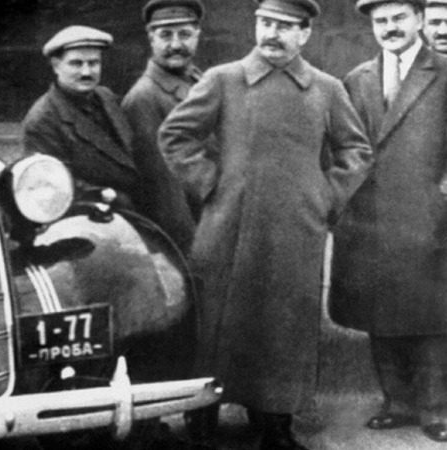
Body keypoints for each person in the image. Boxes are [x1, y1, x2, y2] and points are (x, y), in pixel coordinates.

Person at [158, 0, 374, 448]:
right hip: (228, 228)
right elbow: (176, 136)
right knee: (218, 323)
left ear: (304, 34)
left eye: (284, 26)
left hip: (296, 232)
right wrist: (211, 184)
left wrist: (325, 196)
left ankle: (275, 423)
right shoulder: (223, 79)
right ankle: (203, 417)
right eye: (265, 23)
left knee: (284, 327)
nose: (272, 34)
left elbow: (356, 152)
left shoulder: (326, 89)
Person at [329, 0, 447, 442]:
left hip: (428, 214)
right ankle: (396, 403)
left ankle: (435, 409)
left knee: (432, 316)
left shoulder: (444, 72)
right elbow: (342, 145)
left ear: (419, 19)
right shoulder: (356, 79)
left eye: (399, 18)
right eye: (381, 21)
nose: (390, 27)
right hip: (370, 217)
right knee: (380, 313)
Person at [21, 25, 192, 251]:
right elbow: (53, 187)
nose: (86, 72)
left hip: (138, 215)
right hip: (93, 229)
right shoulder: (42, 120)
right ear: (56, 65)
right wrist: (108, 195)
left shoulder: (105, 97)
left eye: (93, 63)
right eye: (76, 64)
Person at [121, 0, 207, 250]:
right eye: (166, 35)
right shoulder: (144, 98)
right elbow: (165, 194)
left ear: (197, 35)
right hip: (192, 236)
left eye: (185, 34)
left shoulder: (197, 80)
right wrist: (195, 253)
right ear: (151, 38)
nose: (176, 45)